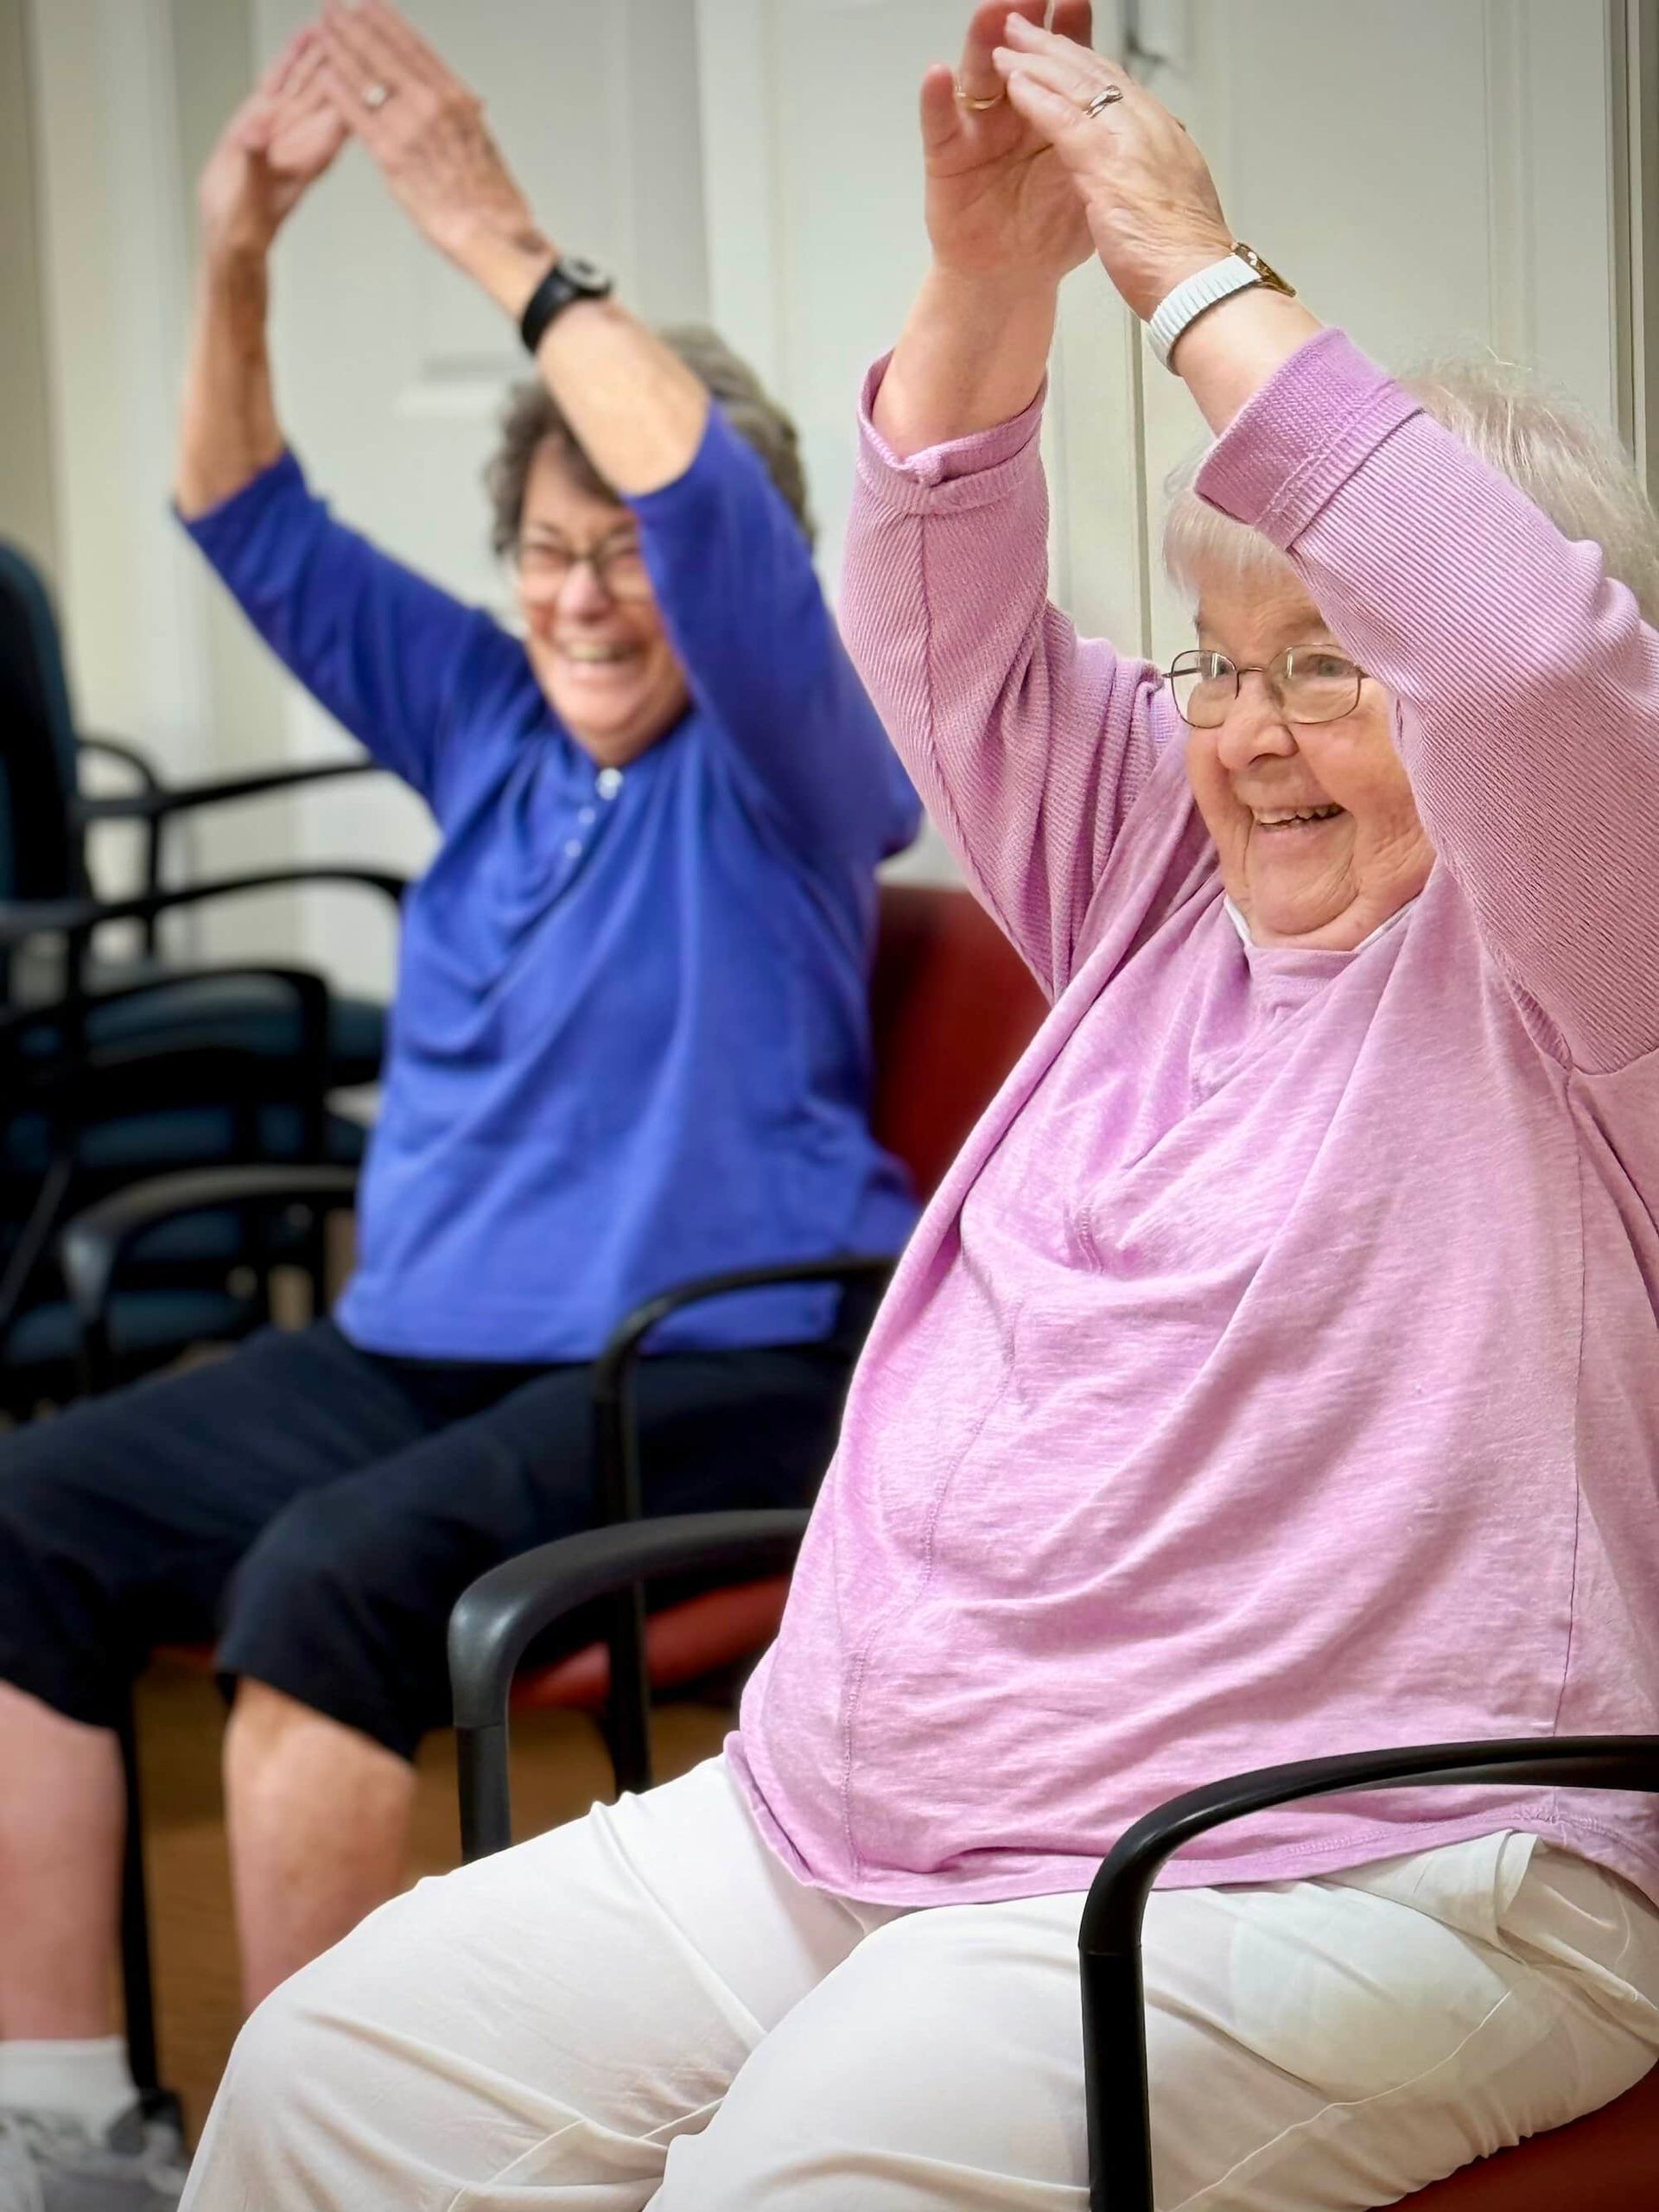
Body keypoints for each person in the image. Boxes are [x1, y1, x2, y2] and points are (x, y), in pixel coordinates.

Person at [176, 3, 1659, 2208]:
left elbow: (1531, 664)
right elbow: (936, 621)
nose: (1246, 736)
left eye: (1330, 667)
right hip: (865, 1801)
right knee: (324, 2085)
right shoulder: (1160, 882)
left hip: (1346, 1850)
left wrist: (1189, 272)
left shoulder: (1583, 957)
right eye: (1218, 663)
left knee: (799, 2181)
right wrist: (995, 278)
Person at [0, 6, 919, 2202]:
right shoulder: (491, 717)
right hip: (424, 1340)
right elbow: (241, 504)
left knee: (324, 1587)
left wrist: (490, 235)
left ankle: (323, 2166)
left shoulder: (793, 767)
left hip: (716, 1356)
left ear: (727, 588)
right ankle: (65, 2129)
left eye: (627, 554)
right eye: (544, 544)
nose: (584, 593)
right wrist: (234, 248)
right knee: (32, 1512)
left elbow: (709, 498)